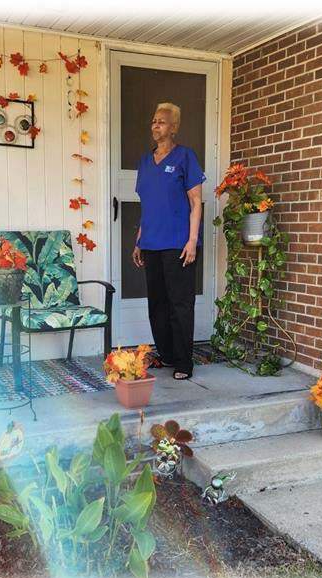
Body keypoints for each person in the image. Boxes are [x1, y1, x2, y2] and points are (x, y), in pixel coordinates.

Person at [132, 102, 205, 380]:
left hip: (178, 244)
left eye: (161, 121)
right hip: (151, 243)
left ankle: (184, 362)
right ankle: (167, 354)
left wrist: (192, 240)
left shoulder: (185, 157)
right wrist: (139, 240)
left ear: (174, 128)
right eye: (153, 120)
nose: (155, 125)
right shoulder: (144, 161)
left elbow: (196, 202)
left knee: (180, 305)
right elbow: (148, 206)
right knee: (157, 305)